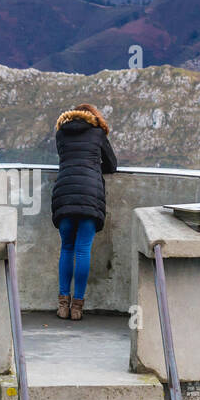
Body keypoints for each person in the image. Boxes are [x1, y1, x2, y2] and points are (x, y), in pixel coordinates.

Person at [50, 103, 117, 321]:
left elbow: (65, 160)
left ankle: (62, 304)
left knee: (67, 248)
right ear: (93, 117)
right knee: (82, 250)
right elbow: (112, 165)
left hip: (65, 193)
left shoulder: (61, 133)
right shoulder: (98, 133)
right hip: (90, 193)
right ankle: (77, 307)